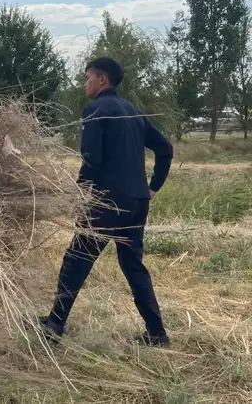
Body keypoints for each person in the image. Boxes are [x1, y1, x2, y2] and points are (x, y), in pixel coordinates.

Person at [37, 57, 174, 347]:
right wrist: (153, 186)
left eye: (87, 77)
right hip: (136, 202)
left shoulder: (96, 110)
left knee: (76, 261)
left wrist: (81, 196)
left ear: (102, 80)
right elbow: (165, 149)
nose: (84, 82)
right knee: (133, 266)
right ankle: (157, 333)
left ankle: (54, 325)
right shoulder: (132, 112)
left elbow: (92, 161)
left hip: (105, 204)